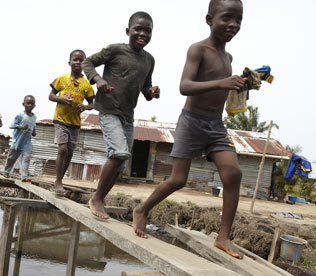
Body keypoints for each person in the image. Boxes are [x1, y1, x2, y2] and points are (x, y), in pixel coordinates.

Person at [132, 0, 245, 259]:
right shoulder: (198, 50)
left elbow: (220, 87)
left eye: (238, 20)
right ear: (209, 20)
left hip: (216, 126)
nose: (233, 25)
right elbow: (185, 86)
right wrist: (223, 82)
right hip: (192, 121)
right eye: (227, 18)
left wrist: (237, 86)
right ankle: (142, 209)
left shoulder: (228, 58)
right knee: (178, 179)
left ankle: (223, 236)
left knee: (233, 173)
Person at [82, 12, 160, 217]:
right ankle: (97, 198)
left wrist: (151, 92)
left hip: (127, 115)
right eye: (138, 29)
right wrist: (97, 80)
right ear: (128, 31)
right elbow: (87, 62)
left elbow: (146, 88)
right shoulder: (115, 50)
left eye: (147, 31)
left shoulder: (149, 60)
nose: (142, 34)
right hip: (109, 110)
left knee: (121, 163)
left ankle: (99, 199)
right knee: (119, 152)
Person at [48, 49, 94, 195]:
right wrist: (61, 99)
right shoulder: (61, 79)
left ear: (85, 64)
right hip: (60, 119)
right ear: (69, 62)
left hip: (74, 123)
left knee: (70, 152)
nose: (78, 62)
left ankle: (58, 181)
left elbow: (93, 104)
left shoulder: (86, 85)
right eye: (75, 59)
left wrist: (85, 106)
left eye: (81, 60)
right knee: (62, 150)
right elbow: (50, 96)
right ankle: (59, 181)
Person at [3, 95, 37, 182]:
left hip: (27, 141)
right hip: (18, 140)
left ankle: (24, 176)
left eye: (32, 104)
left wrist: (34, 131)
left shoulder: (34, 117)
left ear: (34, 105)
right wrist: (21, 127)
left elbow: (34, 126)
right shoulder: (20, 115)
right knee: (12, 157)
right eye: (28, 103)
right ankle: (6, 171)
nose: (30, 105)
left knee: (26, 157)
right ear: (23, 104)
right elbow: (12, 125)